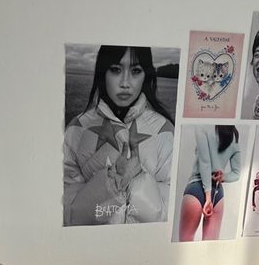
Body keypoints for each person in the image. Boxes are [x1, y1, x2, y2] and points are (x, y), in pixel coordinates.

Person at [63, 45, 175, 226]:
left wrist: (136, 180)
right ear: (103, 73)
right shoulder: (77, 129)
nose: (125, 83)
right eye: (115, 70)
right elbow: (69, 215)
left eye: (136, 71)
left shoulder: (164, 130)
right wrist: (113, 183)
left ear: (145, 75)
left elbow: (171, 213)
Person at [177, 125, 241, 242]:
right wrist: (223, 176)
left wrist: (208, 198)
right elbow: (236, 173)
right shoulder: (234, 135)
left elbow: (205, 163)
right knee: (210, 248)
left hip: (197, 188)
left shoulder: (203, 126)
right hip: (217, 192)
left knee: (184, 245)